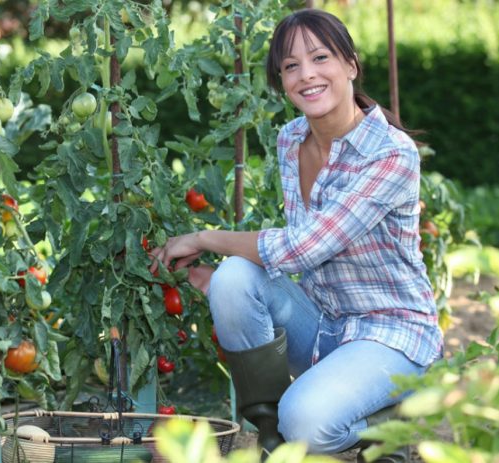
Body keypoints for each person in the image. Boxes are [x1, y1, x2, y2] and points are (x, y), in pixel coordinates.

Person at [150, 8, 443, 463]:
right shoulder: (291, 140)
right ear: (281, 80)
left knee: (308, 420)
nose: (307, 75)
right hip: (323, 321)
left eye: (321, 57)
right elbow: (292, 251)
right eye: (290, 66)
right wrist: (230, 277)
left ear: (350, 64)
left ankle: (392, 428)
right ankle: (274, 440)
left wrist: (205, 237)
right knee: (232, 279)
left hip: (390, 333)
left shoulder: (391, 154)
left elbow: (306, 246)